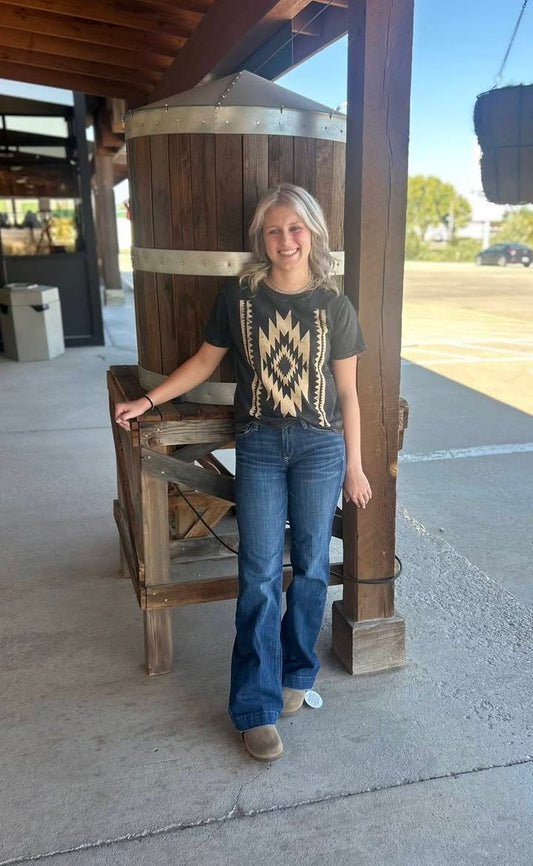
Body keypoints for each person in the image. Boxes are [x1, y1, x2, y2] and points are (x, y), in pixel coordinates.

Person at [115, 183, 371, 762]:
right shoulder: (240, 298)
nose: (285, 240)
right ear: (262, 236)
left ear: (314, 234)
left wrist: (354, 466)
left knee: (308, 567)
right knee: (257, 571)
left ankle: (298, 676)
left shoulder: (335, 305)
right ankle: (254, 707)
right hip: (257, 444)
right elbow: (204, 362)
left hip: (319, 449)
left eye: (296, 228)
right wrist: (149, 402)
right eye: (275, 230)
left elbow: (350, 393)